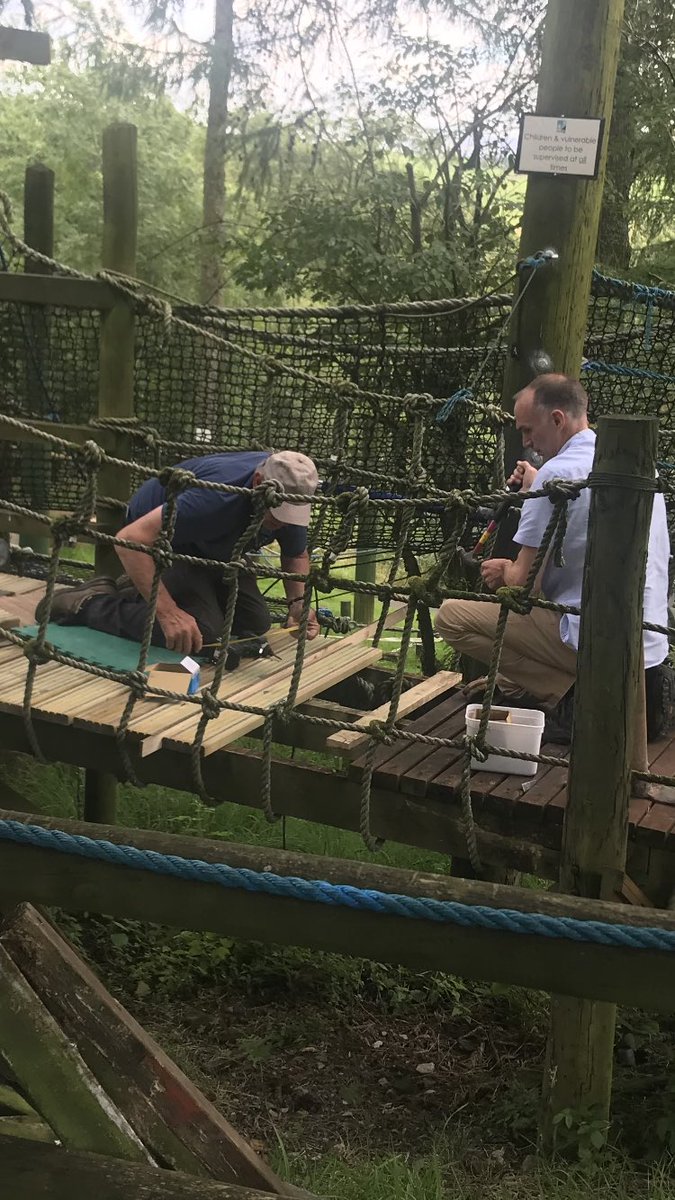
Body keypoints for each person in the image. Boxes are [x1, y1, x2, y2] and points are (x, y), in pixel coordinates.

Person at [435, 373, 672, 742]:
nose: (527, 442)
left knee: (452, 617)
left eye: (529, 430)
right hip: (648, 645)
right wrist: (537, 487)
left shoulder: (555, 475)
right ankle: (561, 691)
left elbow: (525, 587)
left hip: (597, 641)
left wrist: (504, 570)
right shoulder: (637, 466)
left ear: (558, 419)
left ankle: (569, 695)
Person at [37, 449, 321, 656]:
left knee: (255, 623)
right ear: (259, 482)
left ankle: (137, 590)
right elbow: (129, 539)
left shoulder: (289, 495)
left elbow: (295, 554)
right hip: (165, 545)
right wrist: (168, 611)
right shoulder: (215, 498)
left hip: (214, 550)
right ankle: (89, 603)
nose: (284, 521)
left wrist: (298, 603)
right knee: (199, 633)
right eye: (279, 513)